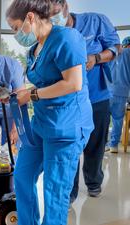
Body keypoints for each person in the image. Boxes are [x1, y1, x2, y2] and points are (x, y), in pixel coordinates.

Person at [6, 0, 94, 224]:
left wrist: (32, 95)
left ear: (31, 18)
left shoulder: (67, 38)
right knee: (23, 176)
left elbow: (73, 83)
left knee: (54, 192)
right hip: (42, 124)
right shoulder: (34, 48)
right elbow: (43, 82)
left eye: (16, 28)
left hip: (66, 126)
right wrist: (22, 94)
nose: (16, 34)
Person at [50, 0, 121, 201]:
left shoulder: (95, 21)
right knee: (70, 147)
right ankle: (70, 192)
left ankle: (93, 182)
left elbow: (116, 48)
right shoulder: (52, 34)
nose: (53, 18)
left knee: (95, 145)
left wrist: (96, 58)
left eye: (56, 12)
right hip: (69, 101)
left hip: (98, 96)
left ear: (65, 7)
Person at [107, 37, 130, 153]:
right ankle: (113, 145)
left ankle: (103, 144)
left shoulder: (111, 53)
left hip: (107, 91)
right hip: (122, 92)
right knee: (118, 119)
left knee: (105, 119)